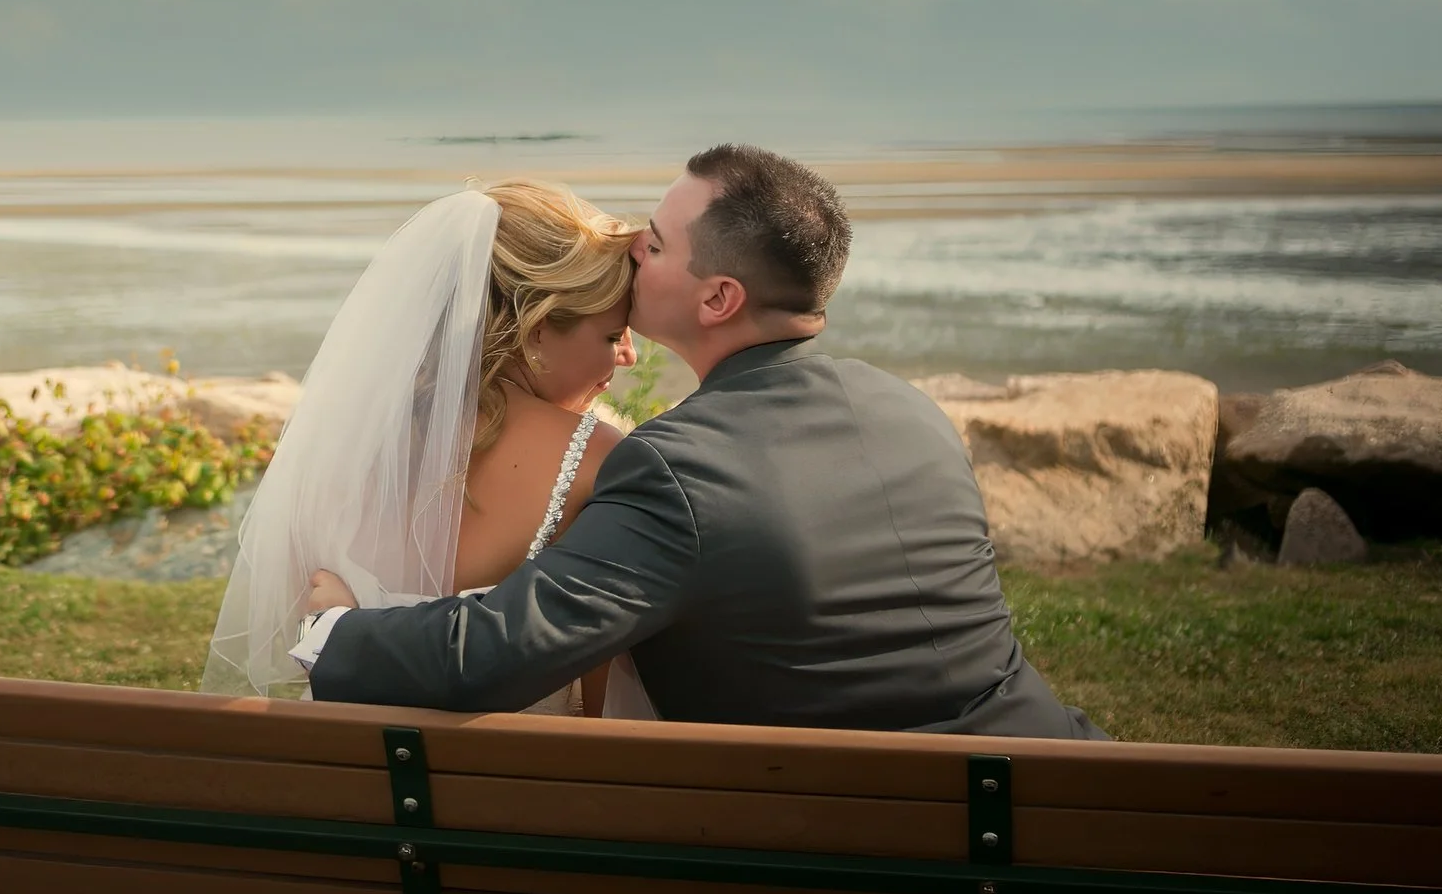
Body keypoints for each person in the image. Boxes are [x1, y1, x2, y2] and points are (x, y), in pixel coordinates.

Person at [294, 143, 1106, 739]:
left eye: (653, 241)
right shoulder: (911, 410)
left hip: (873, 848)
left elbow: (500, 651)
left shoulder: (677, 468)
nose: (631, 248)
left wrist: (336, 629)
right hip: (1054, 779)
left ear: (718, 296)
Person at [200, 178, 644, 713]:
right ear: (538, 329)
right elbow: (601, 701)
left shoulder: (346, 441)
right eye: (612, 335)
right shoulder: (597, 458)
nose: (628, 357)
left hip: (354, 773)